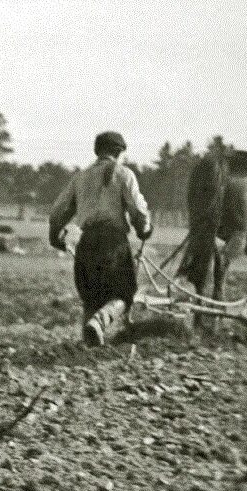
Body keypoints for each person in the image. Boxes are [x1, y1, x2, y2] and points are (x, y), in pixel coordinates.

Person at [48, 130, 152, 346]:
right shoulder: (123, 174)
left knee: (91, 299)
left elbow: (57, 213)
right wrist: (144, 229)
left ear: (98, 151)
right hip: (112, 245)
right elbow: (138, 210)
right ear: (118, 152)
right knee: (125, 294)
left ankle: (89, 349)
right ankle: (100, 322)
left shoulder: (80, 178)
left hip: (86, 244)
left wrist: (55, 237)